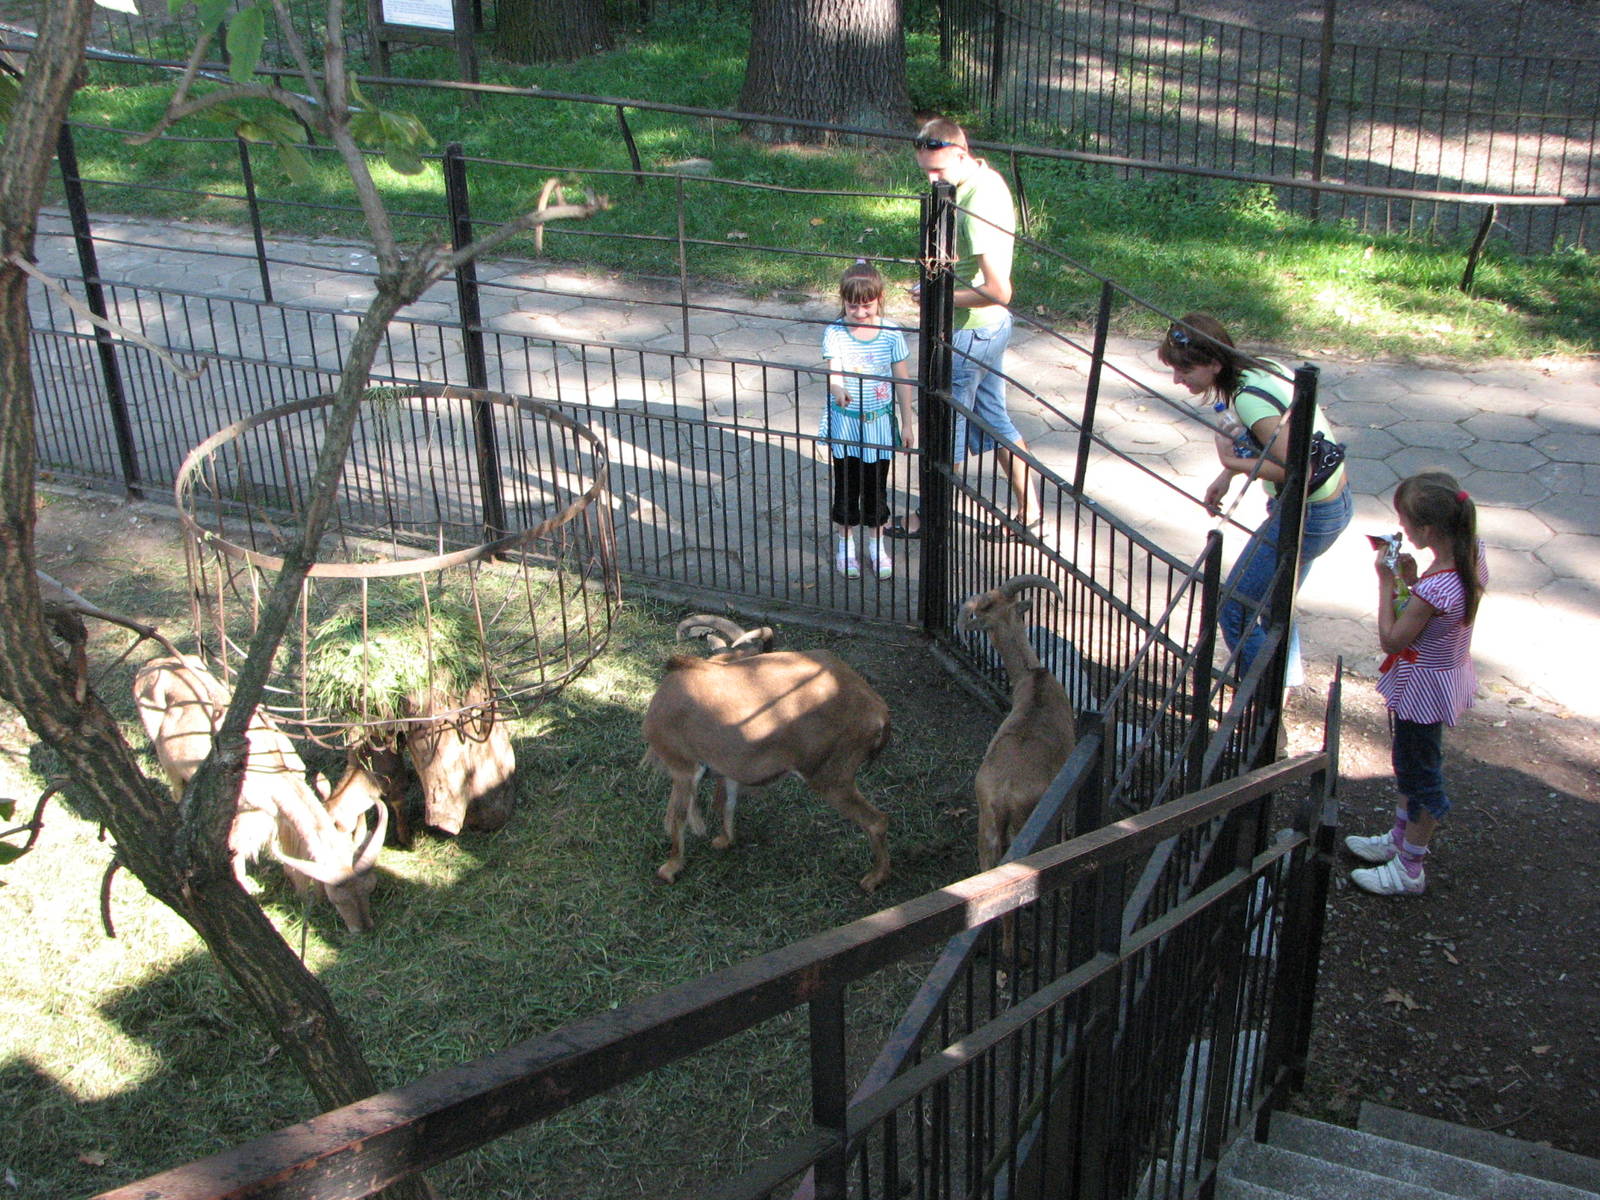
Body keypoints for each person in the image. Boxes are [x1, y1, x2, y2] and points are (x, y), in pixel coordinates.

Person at [1158, 312, 1352, 686]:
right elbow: (1276, 441)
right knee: (1277, 605)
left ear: (1214, 364)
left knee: (1234, 608)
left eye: (1185, 371)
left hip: (1308, 512)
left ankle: (1261, 701)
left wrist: (1231, 460)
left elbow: (1297, 470)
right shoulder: (1259, 368)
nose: (1177, 380)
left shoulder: (1248, 401)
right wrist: (1228, 474)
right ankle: (1282, 690)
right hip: (1332, 502)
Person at [895, 117, 1038, 543]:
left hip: (971, 332)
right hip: (989, 331)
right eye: (925, 171)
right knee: (996, 423)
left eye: (938, 170)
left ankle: (930, 518)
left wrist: (937, 297)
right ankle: (1030, 512)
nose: (932, 179)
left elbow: (999, 290)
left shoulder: (978, 205)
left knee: (944, 430)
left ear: (961, 153)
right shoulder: (983, 180)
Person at [1346, 472, 1487, 896]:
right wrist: (1411, 577)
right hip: (1440, 677)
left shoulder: (1438, 587)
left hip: (1422, 689)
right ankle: (1399, 839)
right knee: (1410, 764)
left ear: (1425, 530)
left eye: (1405, 522)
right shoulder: (1469, 554)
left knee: (1421, 775)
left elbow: (1392, 638)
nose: (1401, 529)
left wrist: (1387, 579)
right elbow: (1429, 613)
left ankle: (1410, 867)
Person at [820, 260, 915, 579]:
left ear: (880, 299)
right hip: (846, 424)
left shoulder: (890, 333)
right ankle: (845, 547)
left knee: (876, 489)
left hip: (877, 426)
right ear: (843, 301)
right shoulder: (835, 331)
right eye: (852, 307)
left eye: (867, 306)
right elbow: (833, 370)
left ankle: (877, 546)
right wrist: (837, 388)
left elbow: (902, 380)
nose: (860, 313)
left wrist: (907, 423)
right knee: (846, 489)